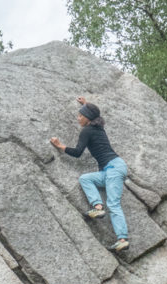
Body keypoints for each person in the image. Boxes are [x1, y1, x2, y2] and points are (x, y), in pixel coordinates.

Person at [50, 97, 129, 252]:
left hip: (114, 168)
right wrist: (86, 104)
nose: (78, 118)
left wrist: (60, 146)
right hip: (109, 170)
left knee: (113, 204)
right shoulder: (99, 128)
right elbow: (95, 113)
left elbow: (78, 152)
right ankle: (98, 206)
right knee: (85, 179)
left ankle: (123, 239)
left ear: (88, 118)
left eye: (81, 115)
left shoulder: (87, 130)